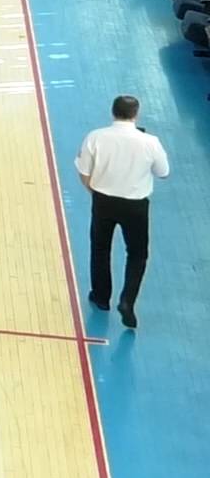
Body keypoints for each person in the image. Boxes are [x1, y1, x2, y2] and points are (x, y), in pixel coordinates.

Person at [77, 95, 169, 329]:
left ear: (113, 112)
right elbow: (163, 172)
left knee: (100, 248)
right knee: (137, 254)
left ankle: (101, 297)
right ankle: (127, 301)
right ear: (136, 114)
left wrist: (95, 192)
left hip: (103, 200)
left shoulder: (96, 137)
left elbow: (84, 172)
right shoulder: (150, 142)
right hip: (135, 205)